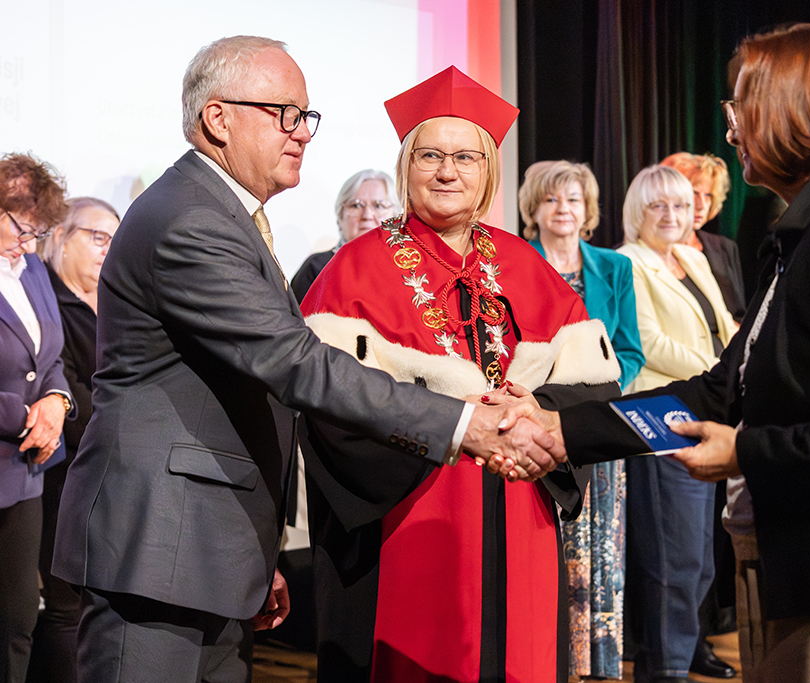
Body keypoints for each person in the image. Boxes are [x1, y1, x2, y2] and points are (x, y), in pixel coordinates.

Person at [51, 38, 560, 683]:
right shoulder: (189, 220)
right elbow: (296, 362)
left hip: (206, 550)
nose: (303, 135)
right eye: (285, 114)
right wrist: (467, 423)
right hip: (158, 551)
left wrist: (252, 552)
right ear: (219, 119)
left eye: (307, 117)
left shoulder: (226, 216)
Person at [504, 22, 810, 683]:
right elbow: (720, 388)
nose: (729, 133)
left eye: (740, 108)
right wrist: (564, 429)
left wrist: (747, 450)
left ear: (797, 112)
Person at [297, 66, 622, 683]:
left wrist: (537, 418)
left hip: (521, 510)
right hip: (409, 518)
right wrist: (456, 429)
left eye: (466, 156)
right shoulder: (353, 270)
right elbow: (330, 405)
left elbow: (593, 376)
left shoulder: (524, 262)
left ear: (488, 171)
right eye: (431, 155)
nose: (448, 171)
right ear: (406, 165)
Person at [519, 159, 644, 679]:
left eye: (572, 199)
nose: (562, 209)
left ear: (587, 210)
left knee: (602, 550)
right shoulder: (518, 261)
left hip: (599, 427)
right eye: (551, 199)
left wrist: (602, 391)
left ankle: (597, 662)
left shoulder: (614, 269)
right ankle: (548, 654)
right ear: (533, 209)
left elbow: (630, 351)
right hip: (539, 425)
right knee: (545, 540)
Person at [613, 164, 735, 683]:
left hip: (704, 415)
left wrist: (738, 370)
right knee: (673, 563)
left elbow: (726, 324)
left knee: (699, 564)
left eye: (681, 206)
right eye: (658, 206)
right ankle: (665, 672)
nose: (671, 216)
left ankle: (668, 666)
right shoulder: (628, 262)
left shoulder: (691, 257)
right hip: (661, 418)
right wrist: (721, 376)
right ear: (636, 212)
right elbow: (649, 344)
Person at [27, 197, 119, 683]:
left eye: (114, 239)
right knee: (66, 607)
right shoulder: (45, 306)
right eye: (97, 237)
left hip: (119, 478)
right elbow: (71, 390)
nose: (108, 249)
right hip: (63, 476)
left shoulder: (122, 302)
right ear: (59, 237)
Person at [0, 152, 73, 683]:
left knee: (18, 619)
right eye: (22, 229)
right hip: (16, 438)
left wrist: (58, 402)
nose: (27, 244)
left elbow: (53, 359)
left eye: (37, 233)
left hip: (24, 473)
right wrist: (27, 413)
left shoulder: (32, 271)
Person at [290, 169, 400, 301]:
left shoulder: (408, 268)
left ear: (396, 216)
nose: (367, 216)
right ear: (340, 216)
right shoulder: (316, 268)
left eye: (378, 206)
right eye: (356, 205)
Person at [661, 151, 745, 322]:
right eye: (694, 193)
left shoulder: (724, 247)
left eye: (708, 195)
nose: (702, 205)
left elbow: (739, 313)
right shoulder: (647, 253)